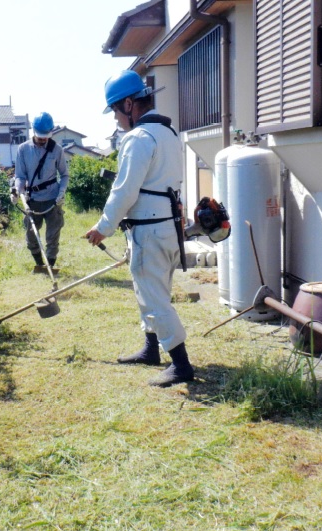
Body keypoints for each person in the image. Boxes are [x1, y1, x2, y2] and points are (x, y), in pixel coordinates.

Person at [85, 70, 194, 387]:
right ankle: (150, 349)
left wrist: (104, 227)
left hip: (150, 230)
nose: (117, 121)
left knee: (154, 296)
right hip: (166, 227)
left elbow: (124, 191)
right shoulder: (168, 133)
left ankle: (181, 364)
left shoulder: (138, 139)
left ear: (129, 104)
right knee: (149, 292)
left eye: (117, 112)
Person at [13, 112, 69, 272]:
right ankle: (39, 263)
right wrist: (17, 191)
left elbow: (64, 175)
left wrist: (62, 192)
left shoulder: (57, 150)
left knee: (53, 236)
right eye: (40, 136)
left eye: (46, 136)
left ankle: (50, 266)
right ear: (33, 132)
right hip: (33, 199)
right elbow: (20, 176)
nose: (43, 139)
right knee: (31, 235)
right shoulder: (23, 149)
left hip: (52, 199)